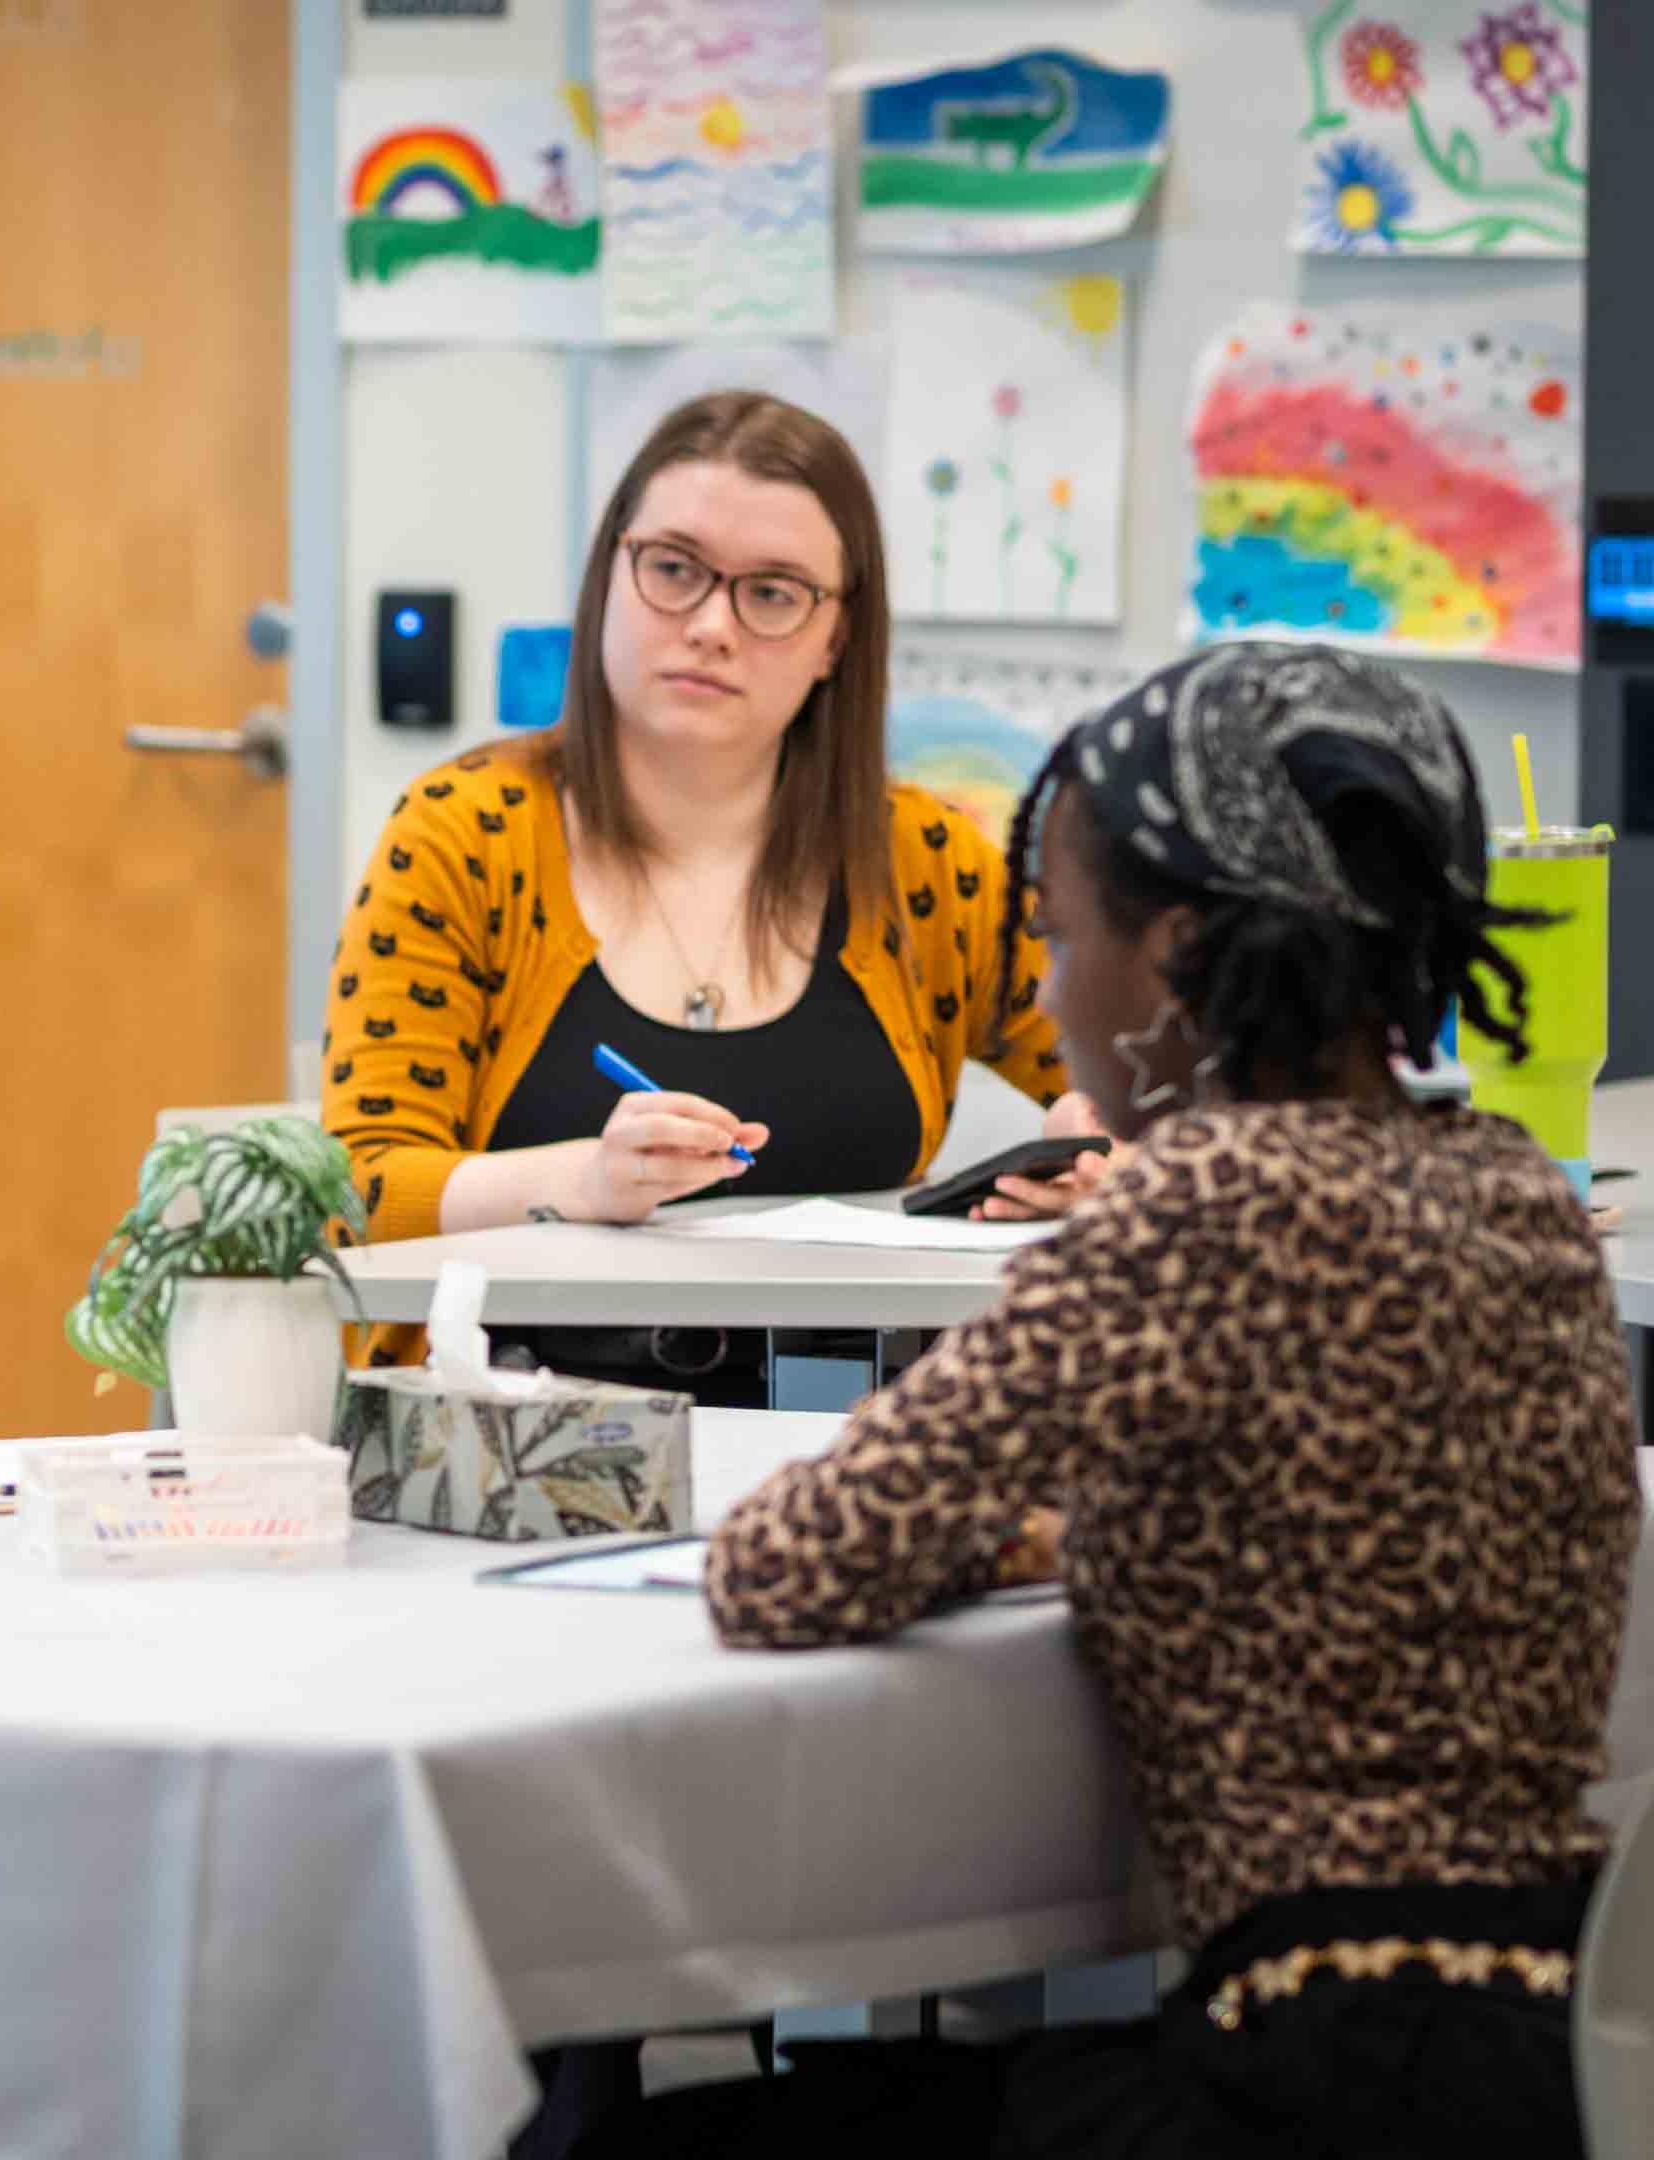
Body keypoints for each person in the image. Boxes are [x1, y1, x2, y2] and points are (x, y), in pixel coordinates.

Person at [612, 642, 1636, 2157]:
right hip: (1563, 2043)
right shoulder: (1517, 1195)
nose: (1045, 991)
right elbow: (1330, 1512)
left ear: (1169, 958)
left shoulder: (1201, 1207)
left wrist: (1004, 1532)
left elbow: (791, 1565)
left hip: (1318, 2070)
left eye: (1056, 937)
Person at [327, 391, 1094, 1408]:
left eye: (772, 593)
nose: (711, 626)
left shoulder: (930, 860)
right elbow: (354, 1190)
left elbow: (1141, 1090)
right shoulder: (463, 835)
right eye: (675, 570)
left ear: (836, 640)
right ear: (610, 577)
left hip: (852, 1456)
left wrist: (1100, 1152)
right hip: (510, 1448)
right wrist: (583, 1185)